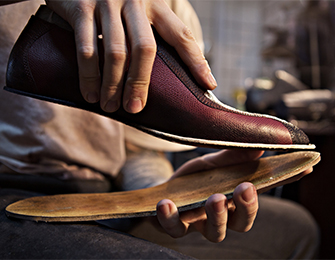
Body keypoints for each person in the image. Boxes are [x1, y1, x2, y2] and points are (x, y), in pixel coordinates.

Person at [0, 0, 319, 259]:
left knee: (295, 226)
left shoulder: (165, 9)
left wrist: (162, 193)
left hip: (98, 190)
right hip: (11, 180)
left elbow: (139, 149)